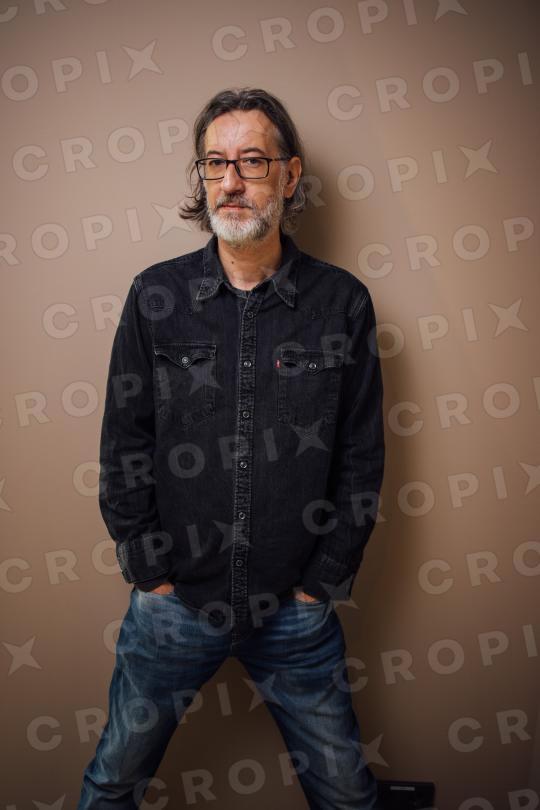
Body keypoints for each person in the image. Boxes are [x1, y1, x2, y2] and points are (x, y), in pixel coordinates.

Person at [77, 86, 385, 809]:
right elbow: (124, 442)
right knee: (112, 784)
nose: (231, 180)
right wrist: (149, 571)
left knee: (348, 796)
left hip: (295, 612)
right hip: (174, 607)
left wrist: (321, 581)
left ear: (290, 174)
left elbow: (361, 457)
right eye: (215, 162)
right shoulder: (155, 296)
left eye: (252, 160)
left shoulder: (342, 303)